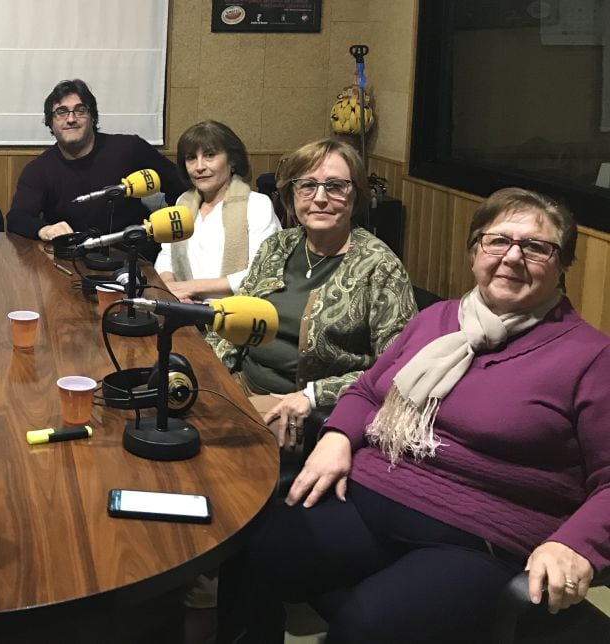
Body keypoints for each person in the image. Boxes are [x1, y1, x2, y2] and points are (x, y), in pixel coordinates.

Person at [217, 188, 610, 643]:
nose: (512, 256)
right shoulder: (437, 319)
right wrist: (338, 437)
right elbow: (368, 389)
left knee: (367, 624)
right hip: (366, 499)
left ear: (562, 264)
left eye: (536, 247)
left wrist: (574, 544)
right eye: (497, 240)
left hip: (477, 537)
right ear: (475, 251)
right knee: (248, 548)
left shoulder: (590, 356)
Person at [210, 137, 415, 445]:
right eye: (307, 185)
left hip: (304, 410)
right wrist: (208, 375)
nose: (320, 198)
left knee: (211, 442)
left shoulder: (380, 267)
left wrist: (313, 396)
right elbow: (235, 323)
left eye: (335, 186)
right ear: (292, 196)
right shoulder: (277, 246)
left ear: (355, 195)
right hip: (240, 387)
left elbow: (397, 368)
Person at [5, 79, 186, 257]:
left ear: (93, 117)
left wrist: (173, 249)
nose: (71, 119)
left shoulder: (130, 149)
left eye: (80, 110)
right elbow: (17, 218)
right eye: (61, 112)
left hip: (135, 258)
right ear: (50, 123)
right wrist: (45, 229)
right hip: (73, 261)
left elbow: (180, 188)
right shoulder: (38, 169)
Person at [155, 120, 281, 302]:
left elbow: (262, 272)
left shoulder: (257, 204)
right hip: (183, 306)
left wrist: (190, 287)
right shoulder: (183, 202)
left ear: (232, 160)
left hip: (235, 315)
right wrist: (169, 288)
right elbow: (167, 254)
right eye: (191, 158)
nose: (199, 167)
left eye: (210, 155)